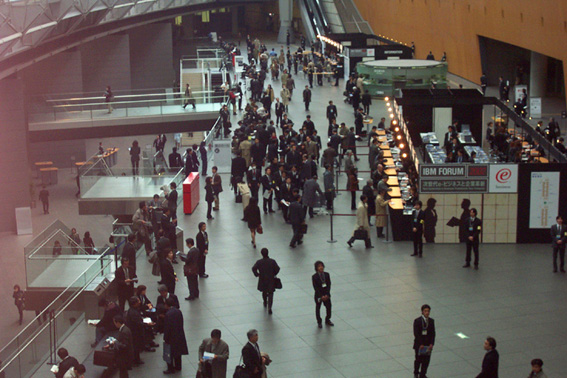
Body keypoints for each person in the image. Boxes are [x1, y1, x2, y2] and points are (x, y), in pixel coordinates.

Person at [162, 297, 189, 374]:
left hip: (171, 337)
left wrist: (165, 337)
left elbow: (167, 327)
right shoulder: (178, 311)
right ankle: (178, 366)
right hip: (179, 334)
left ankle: (170, 368)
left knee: (168, 353)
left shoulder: (168, 314)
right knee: (178, 352)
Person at [252, 248, 280, 315]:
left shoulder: (259, 262)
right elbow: (277, 269)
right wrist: (274, 273)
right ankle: (270, 307)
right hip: (271, 279)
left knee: (264, 291)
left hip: (262, 279)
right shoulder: (272, 261)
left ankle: (265, 301)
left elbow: (253, 268)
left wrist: (257, 274)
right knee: (271, 293)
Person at [412, 304, 436, 378]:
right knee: (418, 359)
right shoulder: (417, 321)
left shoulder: (431, 321)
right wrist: (420, 344)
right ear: (422, 312)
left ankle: (423, 374)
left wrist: (432, 343)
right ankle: (416, 372)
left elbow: (433, 333)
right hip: (419, 345)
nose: (427, 313)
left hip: (427, 345)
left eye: (428, 311)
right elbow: (416, 333)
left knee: (426, 361)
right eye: (425, 311)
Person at [312, 261, 333, 328]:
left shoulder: (327, 274)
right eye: (319, 266)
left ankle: (327, 319)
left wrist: (327, 294)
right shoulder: (314, 277)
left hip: (326, 294)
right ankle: (319, 322)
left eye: (322, 266)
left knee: (329, 307)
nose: (321, 267)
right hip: (319, 295)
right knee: (318, 308)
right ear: (316, 268)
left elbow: (329, 284)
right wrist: (321, 296)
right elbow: (315, 287)